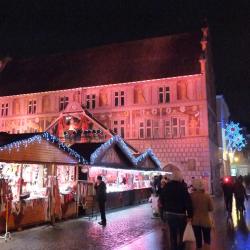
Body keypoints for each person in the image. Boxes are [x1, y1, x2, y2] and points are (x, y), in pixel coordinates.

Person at [162, 170, 193, 250]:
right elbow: (188, 202)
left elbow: (162, 199)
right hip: (181, 214)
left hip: (169, 213)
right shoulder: (183, 187)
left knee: (173, 233)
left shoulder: (166, 186)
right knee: (182, 233)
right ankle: (181, 248)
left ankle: (174, 247)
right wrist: (190, 215)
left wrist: (165, 208)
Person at [191, 179, 213, 250]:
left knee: (198, 241)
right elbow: (211, 208)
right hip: (206, 221)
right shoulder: (207, 196)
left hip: (195, 221)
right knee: (207, 240)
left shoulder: (191, 196)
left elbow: (189, 208)